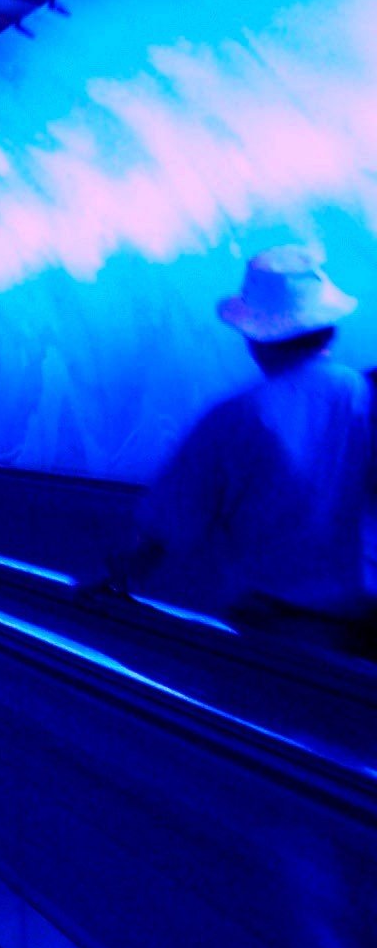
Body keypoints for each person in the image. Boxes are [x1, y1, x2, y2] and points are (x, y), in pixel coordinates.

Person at [94, 248, 372, 648]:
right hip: (365, 629)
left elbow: (173, 518)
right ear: (330, 329)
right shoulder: (366, 397)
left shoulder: (236, 417)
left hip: (274, 632)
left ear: (256, 340)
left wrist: (121, 575)